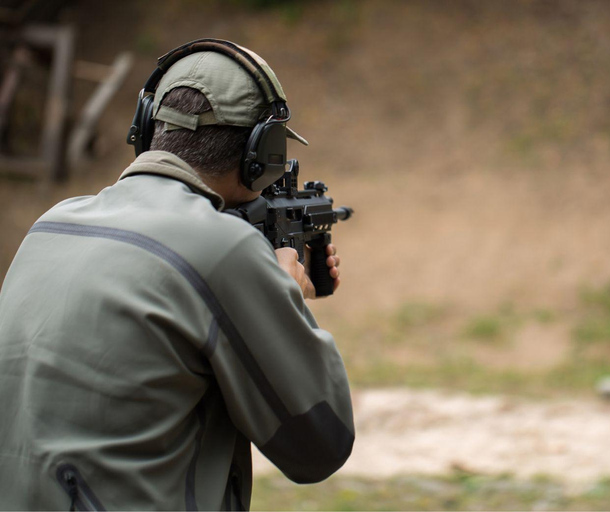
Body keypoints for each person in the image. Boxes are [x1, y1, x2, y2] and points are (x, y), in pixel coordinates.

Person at [0, 39, 354, 510]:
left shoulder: (53, 222)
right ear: (262, 152)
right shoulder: (224, 248)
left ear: (147, 128)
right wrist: (283, 297)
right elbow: (320, 445)